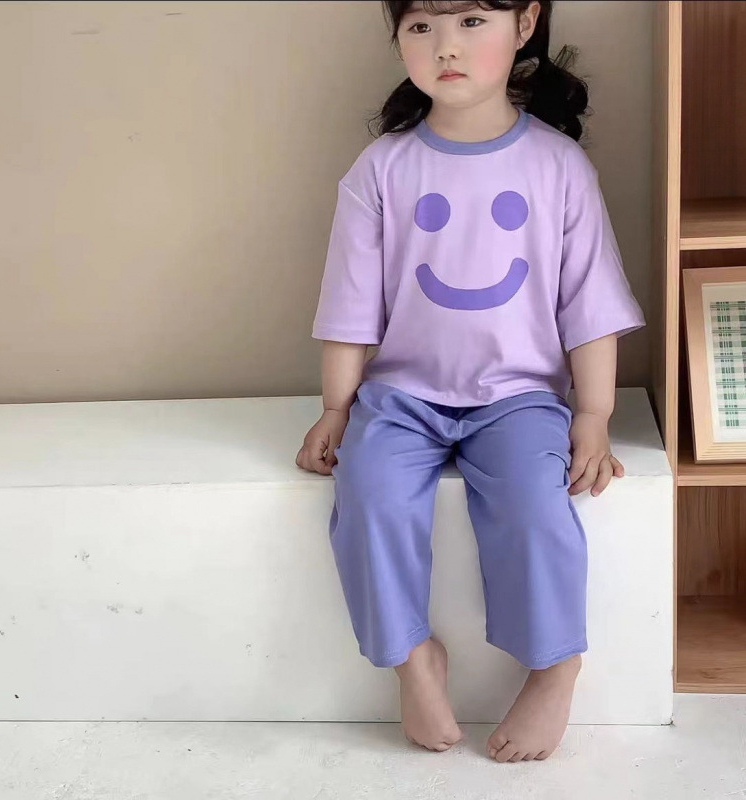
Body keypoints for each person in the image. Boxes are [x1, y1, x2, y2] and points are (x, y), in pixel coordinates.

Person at [296, 0, 644, 763]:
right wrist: (335, 407)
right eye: (421, 27)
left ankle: (555, 665)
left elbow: (589, 304)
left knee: (535, 507)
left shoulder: (558, 166)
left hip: (520, 399)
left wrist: (592, 414)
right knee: (369, 496)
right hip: (401, 397)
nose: (445, 46)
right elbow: (351, 304)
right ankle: (410, 657)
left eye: (470, 22)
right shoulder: (381, 169)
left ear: (524, 23)